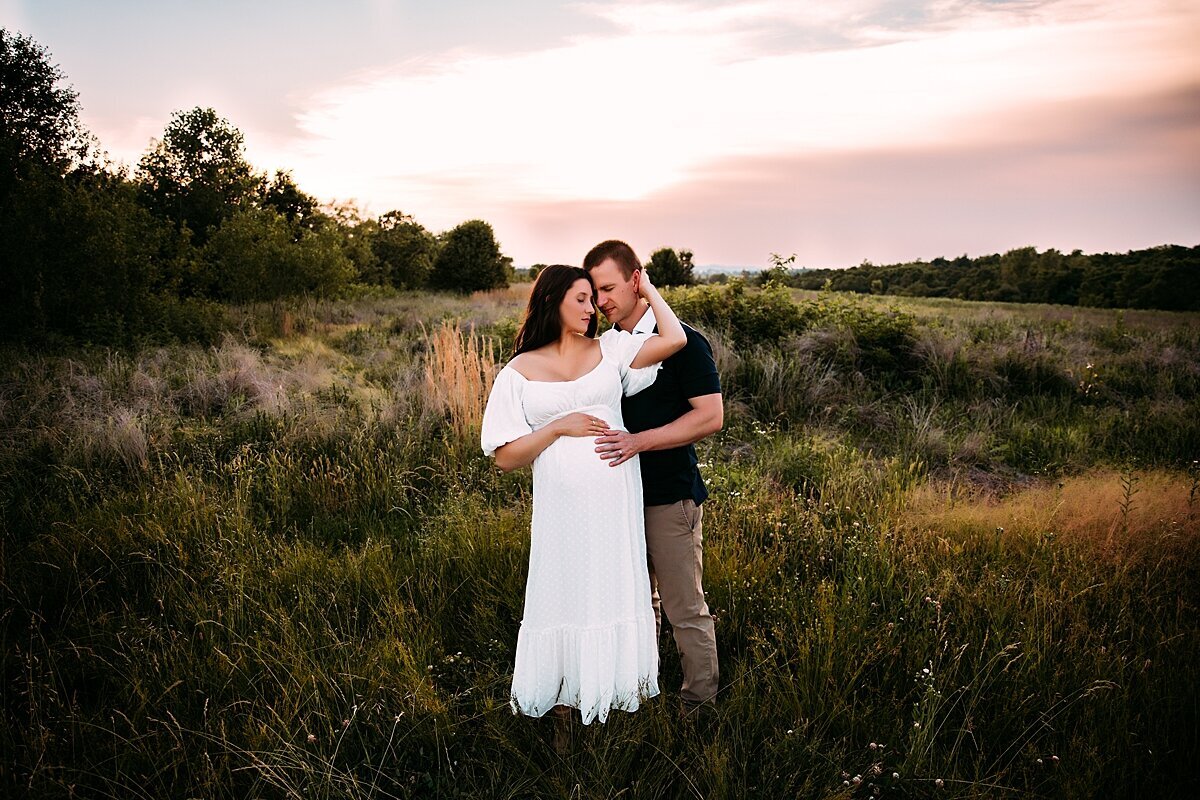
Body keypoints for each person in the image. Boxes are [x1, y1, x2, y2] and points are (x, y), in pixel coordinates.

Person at [479, 263, 687, 729]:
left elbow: (674, 340)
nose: (591, 309)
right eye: (580, 299)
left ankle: (610, 701)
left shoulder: (611, 350)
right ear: (552, 301)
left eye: (593, 299)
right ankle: (563, 708)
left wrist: (649, 290)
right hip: (561, 512)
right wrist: (557, 427)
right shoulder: (518, 372)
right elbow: (505, 457)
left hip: (614, 505)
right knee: (563, 595)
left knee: (610, 592)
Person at [584, 240, 724, 714]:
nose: (602, 300)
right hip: (616, 499)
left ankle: (698, 705)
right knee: (635, 605)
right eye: (594, 292)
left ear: (636, 279)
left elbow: (710, 417)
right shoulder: (605, 349)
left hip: (668, 497)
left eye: (609, 287)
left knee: (684, 608)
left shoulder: (685, 342)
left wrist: (639, 442)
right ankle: (640, 690)